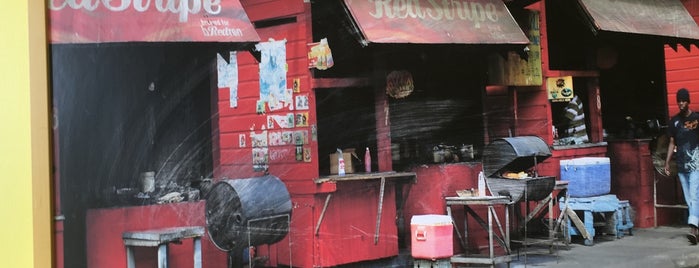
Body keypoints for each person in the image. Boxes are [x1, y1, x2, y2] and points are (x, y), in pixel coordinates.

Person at [664, 88, 699, 245]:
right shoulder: (674, 122)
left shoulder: (697, 118)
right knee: (689, 199)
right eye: (679, 101)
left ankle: (692, 228)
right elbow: (672, 143)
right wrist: (667, 162)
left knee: (694, 195)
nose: (681, 103)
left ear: (688, 101)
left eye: (683, 100)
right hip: (681, 166)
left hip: (696, 164)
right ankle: (697, 228)